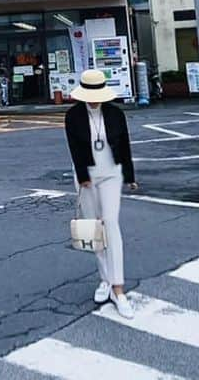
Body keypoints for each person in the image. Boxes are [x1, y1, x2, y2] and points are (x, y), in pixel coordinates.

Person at [65, 69, 138, 319]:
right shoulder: (73, 116)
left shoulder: (116, 114)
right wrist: (83, 176)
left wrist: (130, 176)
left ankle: (118, 288)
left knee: (111, 224)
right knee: (95, 230)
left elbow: (125, 145)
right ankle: (104, 279)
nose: (93, 99)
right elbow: (74, 148)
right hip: (86, 177)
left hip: (111, 173)